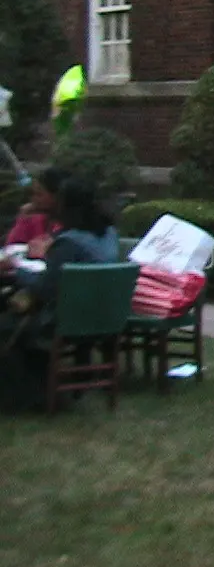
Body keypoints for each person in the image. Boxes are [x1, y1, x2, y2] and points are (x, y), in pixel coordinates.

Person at [0, 177, 120, 411]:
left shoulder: (69, 243)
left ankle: (26, 395)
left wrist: (15, 267)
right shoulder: (107, 233)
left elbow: (45, 288)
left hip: (65, 320)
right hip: (102, 316)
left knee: (7, 324)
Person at [3, 166, 68, 252]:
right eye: (33, 194)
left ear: (56, 195)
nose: (34, 199)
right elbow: (11, 248)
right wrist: (22, 219)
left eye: (39, 194)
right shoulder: (32, 220)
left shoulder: (69, 224)